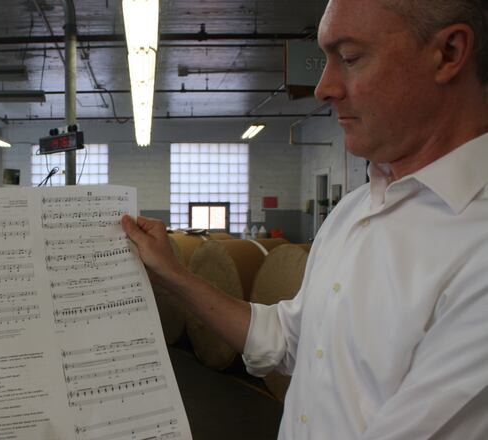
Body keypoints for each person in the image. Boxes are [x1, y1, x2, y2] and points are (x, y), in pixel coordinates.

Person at [121, 0, 488, 438]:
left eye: (350, 58)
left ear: (449, 52)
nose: (323, 87)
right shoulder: (355, 212)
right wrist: (172, 274)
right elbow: (289, 340)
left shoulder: (476, 246)